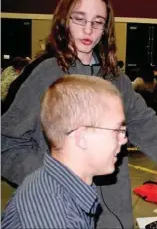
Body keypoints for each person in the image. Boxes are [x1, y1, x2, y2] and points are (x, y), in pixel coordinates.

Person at [1, 0, 157, 228]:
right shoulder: (44, 74)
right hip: (57, 211)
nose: (88, 30)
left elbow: (147, 125)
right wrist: (53, 181)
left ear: (106, 28)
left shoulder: (114, 77)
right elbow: (7, 144)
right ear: (64, 21)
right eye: (80, 19)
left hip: (113, 216)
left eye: (98, 22)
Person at [2, 75, 127, 228]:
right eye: (117, 130)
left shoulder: (48, 182)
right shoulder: (56, 216)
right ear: (82, 138)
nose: (124, 139)